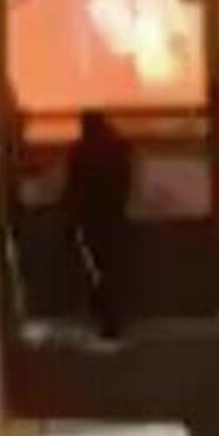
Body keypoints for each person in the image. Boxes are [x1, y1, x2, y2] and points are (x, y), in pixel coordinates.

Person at [65, 111, 136, 345]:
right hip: (114, 217)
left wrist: (72, 215)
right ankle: (111, 317)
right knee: (112, 268)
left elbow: (73, 187)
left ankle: (104, 315)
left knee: (95, 268)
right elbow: (126, 181)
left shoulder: (80, 152)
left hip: (90, 218)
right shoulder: (118, 149)